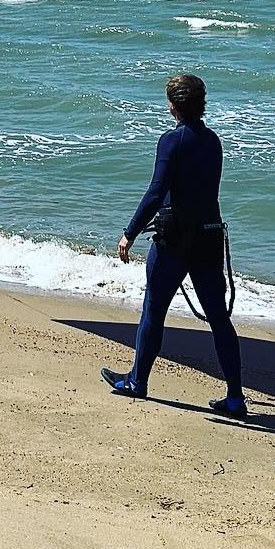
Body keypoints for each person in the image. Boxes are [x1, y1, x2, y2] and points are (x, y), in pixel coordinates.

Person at [101, 73, 247, 417]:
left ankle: (137, 382)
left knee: (154, 309)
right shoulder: (213, 141)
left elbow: (156, 192)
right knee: (219, 318)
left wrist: (130, 232)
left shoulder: (171, 141)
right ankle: (236, 397)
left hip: (175, 240)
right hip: (209, 237)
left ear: (174, 107)